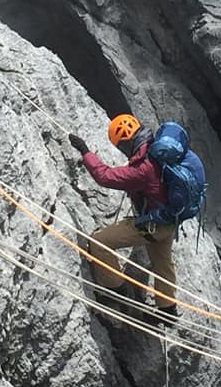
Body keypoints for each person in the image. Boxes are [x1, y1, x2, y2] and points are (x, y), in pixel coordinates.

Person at [69, 113, 179, 322]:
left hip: (154, 224)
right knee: (162, 262)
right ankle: (167, 310)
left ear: (126, 142)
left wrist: (85, 152)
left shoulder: (143, 168)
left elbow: (105, 177)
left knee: (99, 242)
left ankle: (116, 292)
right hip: (169, 219)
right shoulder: (156, 149)